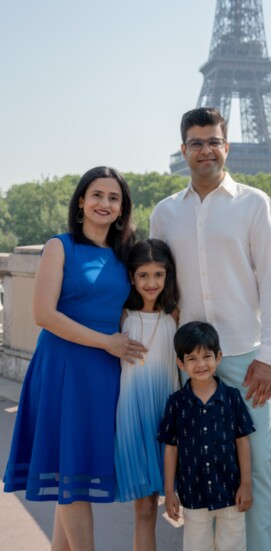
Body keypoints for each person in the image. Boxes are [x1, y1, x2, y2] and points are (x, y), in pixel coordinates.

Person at [150, 107, 271, 551]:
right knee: (198, 466)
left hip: (246, 359)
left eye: (213, 141)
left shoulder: (254, 203)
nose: (205, 150)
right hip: (192, 361)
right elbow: (159, 286)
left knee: (258, 468)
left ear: (226, 147)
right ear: (183, 150)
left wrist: (268, 355)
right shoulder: (165, 213)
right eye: (196, 142)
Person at [3, 166, 146, 551]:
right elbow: (43, 315)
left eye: (114, 198)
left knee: (77, 474)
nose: (105, 203)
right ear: (81, 201)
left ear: (122, 209)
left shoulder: (124, 256)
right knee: (73, 477)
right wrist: (106, 342)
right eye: (97, 195)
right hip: (64, 369)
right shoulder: (59, 246)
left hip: (104, 374)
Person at [158, 321, 255, 551]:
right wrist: (169, 491)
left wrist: (246, 484)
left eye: (207, 356)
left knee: (233, 546)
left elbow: (242, 441)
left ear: (218, 357)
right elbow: (171, 448)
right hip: (193, 493)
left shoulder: (231, 398)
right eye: (191, 358)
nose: (201, 364)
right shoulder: (176, 403)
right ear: (180, 363)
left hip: (231, 491)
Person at [114, 238, 180, 551]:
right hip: (131, 420)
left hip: (166, 420)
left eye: (158, 275)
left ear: (168, 276)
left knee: (172, 503)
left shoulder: (174, 317)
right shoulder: (121, 317)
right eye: (143, 275)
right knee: (144, 508)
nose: (151, 282)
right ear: (131, 277)